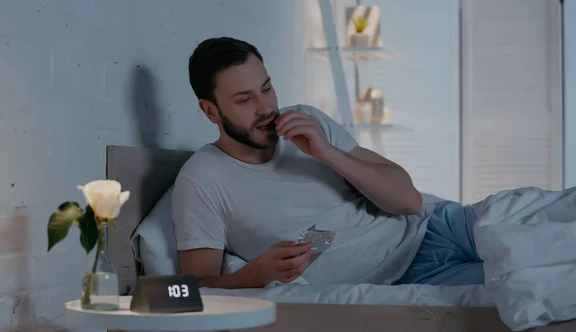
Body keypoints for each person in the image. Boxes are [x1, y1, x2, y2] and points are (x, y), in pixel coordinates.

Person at [172, 36, 483, 289]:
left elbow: (410, 202)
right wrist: (255, 275)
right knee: (527, 293)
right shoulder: (201, 180)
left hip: (438, 225)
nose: (265, 107)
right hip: (407, 278)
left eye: (266, 88)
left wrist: (328, 153)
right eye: (244, 100)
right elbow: (194, 287)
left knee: (527, 223)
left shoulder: (306, 121)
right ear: (210, 111)